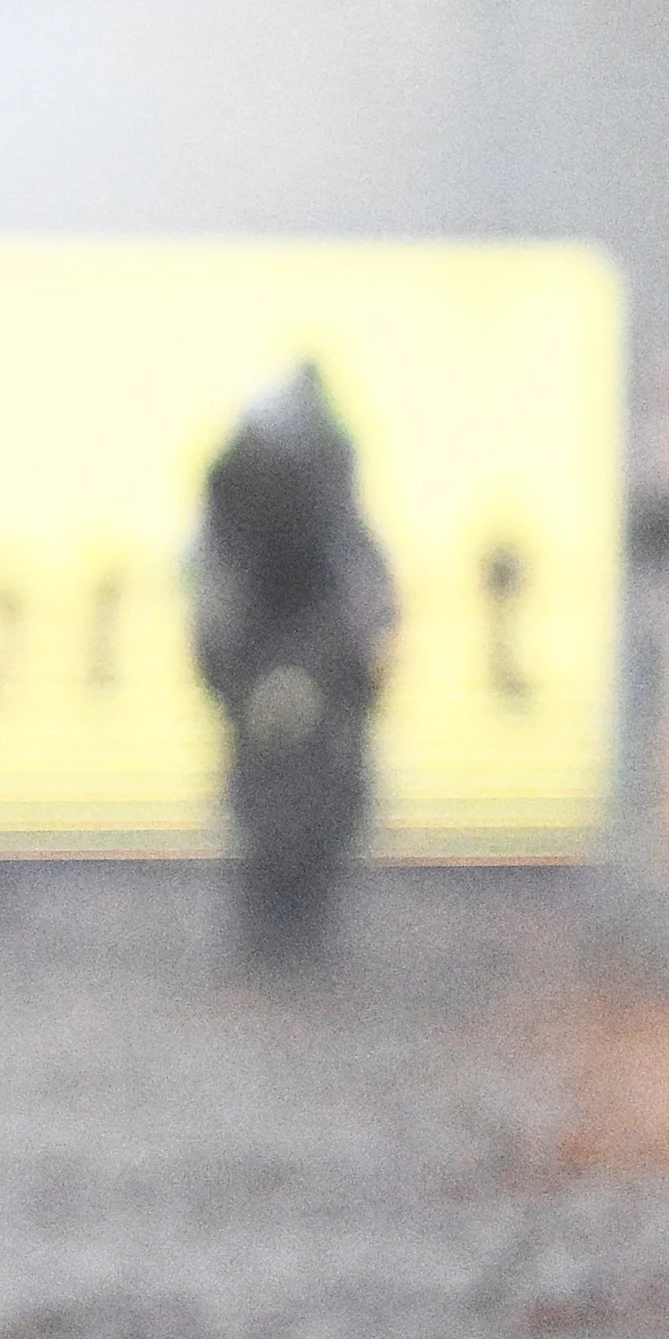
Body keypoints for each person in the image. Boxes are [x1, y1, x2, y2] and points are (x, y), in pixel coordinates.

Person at [189, 364, 399, 964]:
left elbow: (360, 601)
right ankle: (276, 924)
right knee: (274, 794)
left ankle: (293, 924)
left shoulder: (319, 497)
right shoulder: (244, 504)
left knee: (312, 794)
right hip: (273, 649)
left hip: (309, 655)